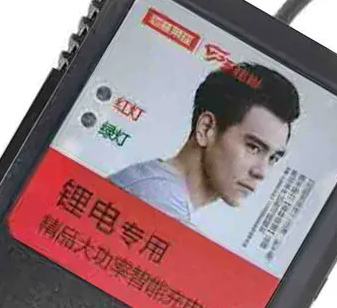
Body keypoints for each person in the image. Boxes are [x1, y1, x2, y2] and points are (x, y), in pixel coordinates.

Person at [110, 62, 300, 223]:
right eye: (253, 147)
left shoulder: (159, 189)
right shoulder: (159, 202)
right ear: (206, 128)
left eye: (273, 158)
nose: (261, 172)